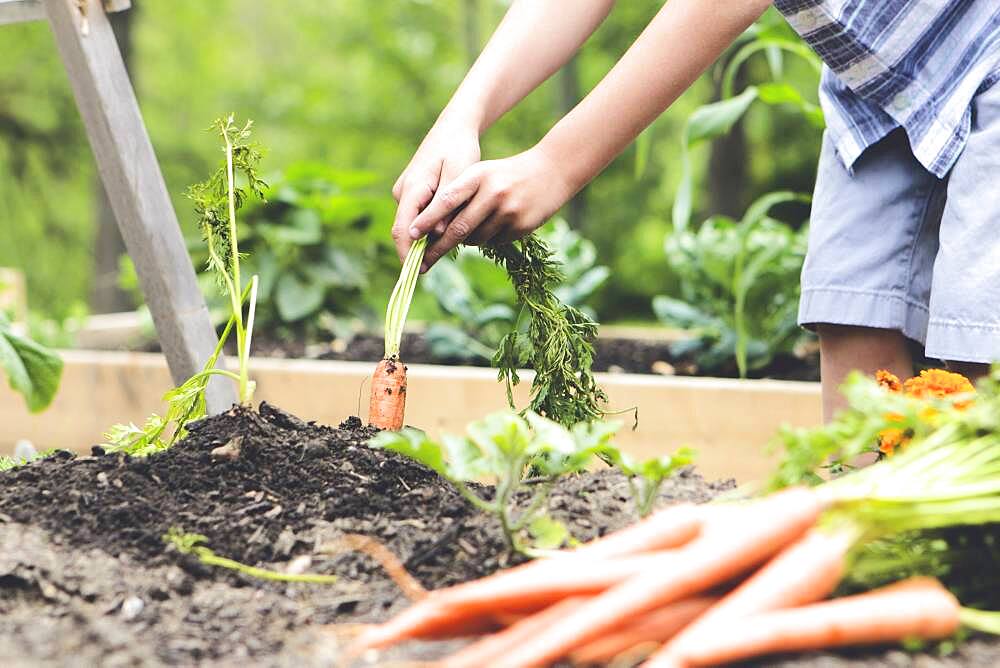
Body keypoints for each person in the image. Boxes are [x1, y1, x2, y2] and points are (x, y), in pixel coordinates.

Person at [390, 0, 1000, 420]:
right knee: (855, 322)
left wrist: (556, 163)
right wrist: (461, 118)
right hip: (878, 72)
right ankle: (878, 579)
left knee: (980, 352)